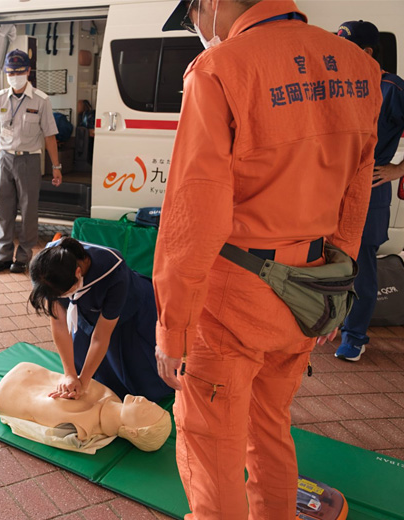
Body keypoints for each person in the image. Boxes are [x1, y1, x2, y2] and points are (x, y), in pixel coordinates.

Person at [154, 1, 381, 519]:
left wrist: (173, 327)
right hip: (309, 291)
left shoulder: (219, 69)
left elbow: (194, 212)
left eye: (192, 20)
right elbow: (357, 190)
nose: (198, 31)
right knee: (271, 427)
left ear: (208, 3)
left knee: (212, 445)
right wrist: (336, 281)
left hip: (235, 294)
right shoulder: (359, 67)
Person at [28, 237, 173, 403]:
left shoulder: (113, 271)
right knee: (88, 370)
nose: (63, 299)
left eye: (64, 294)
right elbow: (59, 323)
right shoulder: (47, 268)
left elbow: (100, 337)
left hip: (131, 313)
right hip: (89, 310)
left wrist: (83, 381)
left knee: (141, 383)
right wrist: (69, 374)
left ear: (78, 273)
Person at [335, 21, 404, 362]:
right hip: (330, 184)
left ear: (367, 53)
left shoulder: (393, 88)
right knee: (326, 256)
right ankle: (327, 323)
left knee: (360, 262)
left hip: (369, 187)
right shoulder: (335, 85)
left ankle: (355, 335)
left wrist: (398, 169)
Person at [0, 49, 62, 274]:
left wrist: (56, 168)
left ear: (28, 71)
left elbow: (50, 137)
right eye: (10, 71)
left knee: (28, 211)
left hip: (29, 161)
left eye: (18, 71)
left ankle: (24, 257)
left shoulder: (41, 100)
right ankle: (3, 256)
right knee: (4, 210)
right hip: (5, 159)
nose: (14, 75)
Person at [0, 361, 172, 454]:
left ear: (133, 432)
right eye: (151, 403)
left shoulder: (82, 427)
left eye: (146, 410)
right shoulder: (111, 396)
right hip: (26, 370)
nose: (144, 401)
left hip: (7, 393)